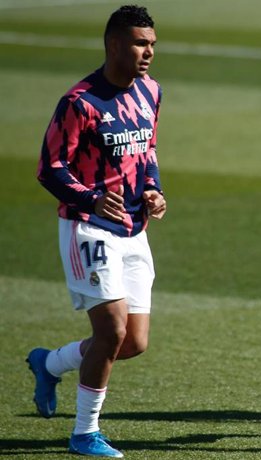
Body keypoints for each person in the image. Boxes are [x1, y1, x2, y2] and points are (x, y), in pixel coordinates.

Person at [27, 5, 165, 457]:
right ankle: (85, 434)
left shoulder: (151, 92)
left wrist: (153, 191)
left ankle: (49, 363)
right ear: (113, 44)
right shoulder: (80, 102)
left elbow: (147, 151)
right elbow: (50, 168)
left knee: (133, 342)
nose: (148, 52)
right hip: (88, 228)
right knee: (110, 330)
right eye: (140, 43)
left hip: (133, 229)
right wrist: (88, 198)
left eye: (152, 44)